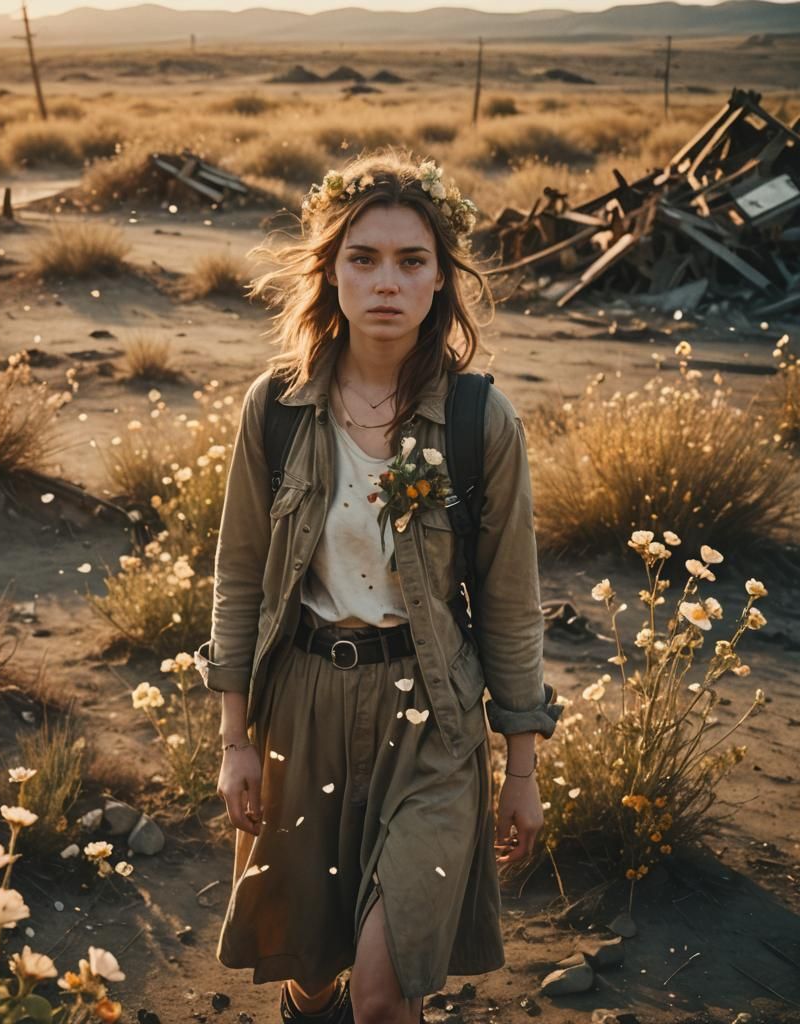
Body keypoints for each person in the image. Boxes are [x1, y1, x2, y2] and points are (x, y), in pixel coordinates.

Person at [194, 147, 563, 1024]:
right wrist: (234, 738)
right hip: (305, 708)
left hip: (431, 718)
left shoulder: (479, 421)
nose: (386, 281)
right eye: (362, 258)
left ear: (442, 280)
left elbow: (510, 606)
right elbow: (239, 573)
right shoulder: (277, 408)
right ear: (331, 274)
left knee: (382, 983)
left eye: (411, 260)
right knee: (311, 966)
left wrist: (521, 766)